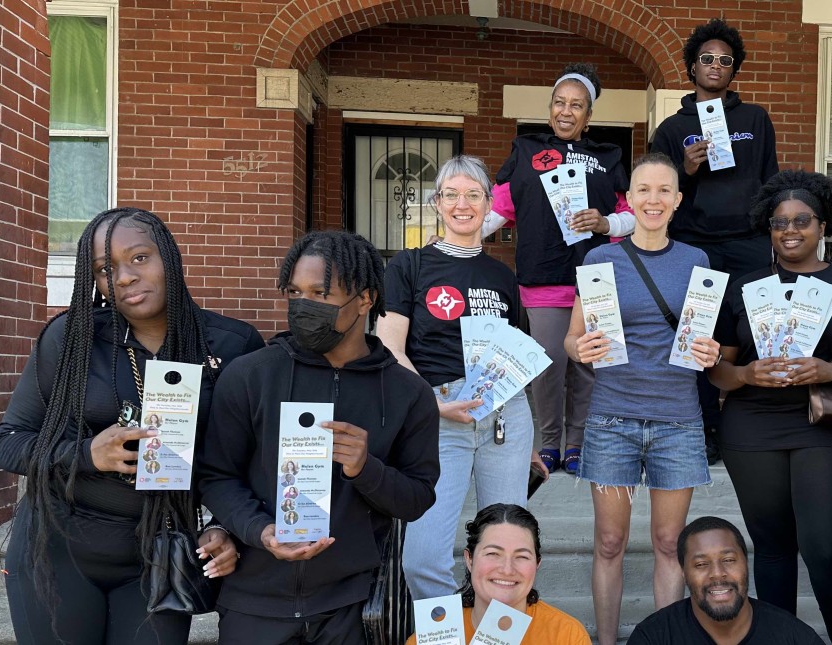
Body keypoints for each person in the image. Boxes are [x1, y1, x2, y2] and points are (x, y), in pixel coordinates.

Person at [0, 207, 264, 644]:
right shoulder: (71, 339)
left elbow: (251, 461)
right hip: (58, 550)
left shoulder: (232, 346)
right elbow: (8, 443)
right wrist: (86, 454)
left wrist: (226, 527)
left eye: (139, 258)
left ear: (170, 259)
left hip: (157, 554)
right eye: (105, 269)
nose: (123, 277)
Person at [198, 230, 441, 644]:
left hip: (350, 606)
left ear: (365, 299)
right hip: (253, 601)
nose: (303, 305)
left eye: (320, 293)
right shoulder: (250, 375)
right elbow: (216, 476)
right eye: (295, 292)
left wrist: (366, 470)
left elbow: (417, 499)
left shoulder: (407, 392)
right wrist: (260, 531)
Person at [707, 171, 832, 644]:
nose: (789, 230)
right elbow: (717, 370)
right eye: (778, 222)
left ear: (823, 225)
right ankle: (777, 640)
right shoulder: (744, 288)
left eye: (801, 220)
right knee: (772, 548)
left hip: (824, 424)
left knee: (825, 547)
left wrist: (829, 371)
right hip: (751, 427)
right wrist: (745, 375)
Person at [566, 153, 720, 645]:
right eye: (643, 190)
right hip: (613, 417)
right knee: (610, 542)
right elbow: (572, 340)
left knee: (668, 543)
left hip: (677, 419)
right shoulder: (598, 260)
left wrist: (710, 350)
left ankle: (664, 639)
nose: (653, 199)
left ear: (677, 200)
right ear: (628, 199)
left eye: (663, 191)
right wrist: (580, 348)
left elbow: (701, 340)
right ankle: (607, 641)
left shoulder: (696, 261)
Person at [378, 155, 547, 602]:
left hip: (503, 419)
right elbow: (390, 349)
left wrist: (527, 439)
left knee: (506, 554)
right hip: (435, 414)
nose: (462, 204)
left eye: (473, 194)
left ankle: (495, 635)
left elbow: (515, 357)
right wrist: (432, 405)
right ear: (436, 202)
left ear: (488, 203)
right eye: (451, 194)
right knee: (423, 557)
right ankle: (448, 634)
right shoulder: (409, 266)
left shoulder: (502, 276)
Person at [481, 63, 635, 476]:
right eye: (559, 103)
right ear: (550, 107)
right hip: (544, 274)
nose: (566, 111)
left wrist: (605, 223)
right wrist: (458, 233)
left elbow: (632, 217)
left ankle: (577, 443)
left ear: (589, 115)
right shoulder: (527, 150)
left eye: (577, 105)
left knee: (588, 365)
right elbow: (497, 209)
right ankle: (549, 441)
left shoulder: (608, 157)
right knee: (549, 366)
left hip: (596, 277)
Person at [650, 19, 780, 464]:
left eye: (725, 60)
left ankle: (745, 427)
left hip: (747, 243)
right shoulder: (672, 128)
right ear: (691, 66)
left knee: (749, 334)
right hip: (695, 244)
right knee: (698, 337)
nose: (715, 66)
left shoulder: (754, 119)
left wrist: (772, 239)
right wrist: (684, 169)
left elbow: (771, 182)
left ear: (733, 69)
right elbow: (654, 190)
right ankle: (704, 428)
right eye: (707, 58)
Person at [406, 504, 590, 645]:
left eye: (522, 556)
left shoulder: (566, 635)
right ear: (469, 560)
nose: (507, 569)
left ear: (537, 564)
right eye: (493, 553)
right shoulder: (437, 634)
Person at [628, 516, 826, 645]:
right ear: (683, 573)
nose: (717, 573)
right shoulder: (654, 637)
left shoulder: (793, 637)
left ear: (746, 565)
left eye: (729, 560)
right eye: (701, 564)